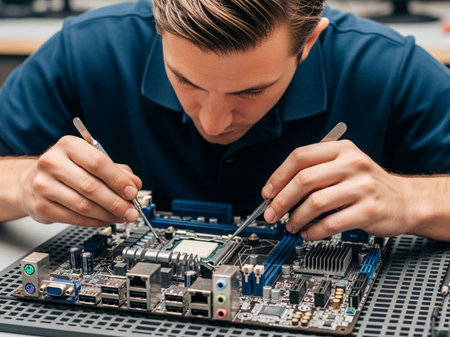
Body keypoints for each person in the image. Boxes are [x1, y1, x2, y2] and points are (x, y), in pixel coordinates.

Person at [0, 0, 449, 242]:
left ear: (309, 42)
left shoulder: (390, 69)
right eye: (185, 80)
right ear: (157, 22)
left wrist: (411, 199)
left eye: (251, 91)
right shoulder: (87, 51)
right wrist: (22, 184)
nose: (214, 124)